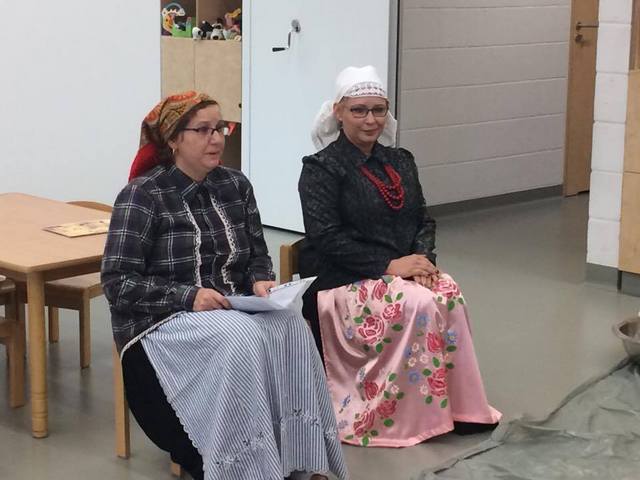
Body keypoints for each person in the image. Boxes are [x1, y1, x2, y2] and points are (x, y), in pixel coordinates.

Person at [101, 91, 348, 480]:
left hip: (230, 307)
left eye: (220, 128)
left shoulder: (236, 185)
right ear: (174, 139)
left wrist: (261, 281)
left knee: (292, 325)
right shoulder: (143, 196)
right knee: (239, 335)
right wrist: (189, 296)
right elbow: (118, 282)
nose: (216, 138)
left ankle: (299, 459)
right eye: (203, 130)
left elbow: (256, 255)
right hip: (162, 321)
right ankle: (242, 466)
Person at [298, 66, 501, 448]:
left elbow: (423, 218)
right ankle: (410, 417)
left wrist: (422, 262)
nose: (370, 120)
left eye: (378, 110)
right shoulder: (320, 169)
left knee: (448, 293)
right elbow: (325, 238)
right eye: (359, 110)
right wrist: (390, 266)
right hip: (342, 277)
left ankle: (462, 409)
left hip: (400, 270)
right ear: (338, 112)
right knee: (419, 304)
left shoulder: (401, 161)